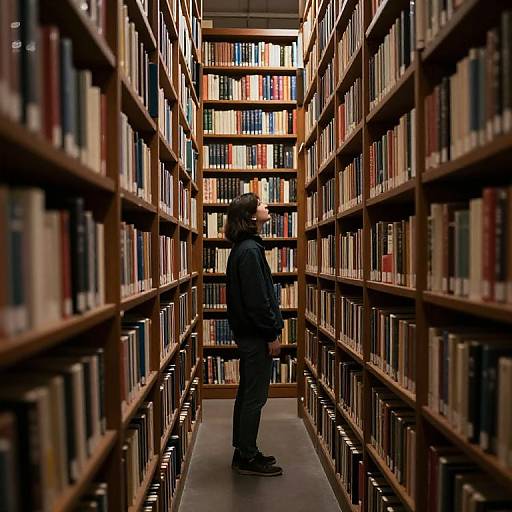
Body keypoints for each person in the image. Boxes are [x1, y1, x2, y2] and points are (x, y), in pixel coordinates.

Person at [224, 192, 284, 477]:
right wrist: (271, 333)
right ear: (250, 216)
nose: (266, 206)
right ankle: (247, 456)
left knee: (248, 393)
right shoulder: (248, 250)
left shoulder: (245, 247)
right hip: (256, 336)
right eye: (260, 204)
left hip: (249, 334)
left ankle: (243, 450)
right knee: (255, 397)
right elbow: (258, 300)